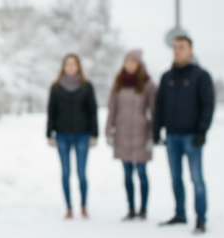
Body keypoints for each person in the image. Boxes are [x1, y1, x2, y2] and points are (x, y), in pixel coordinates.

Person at [154, 35, 215, 234]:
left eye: (181, 47)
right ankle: (180, 214)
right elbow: (160, 105)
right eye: (175, 47)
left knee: (196, 178)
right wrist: (156, 129)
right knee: (175, 178)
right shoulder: (167, 77)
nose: (177, 51)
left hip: (192, 137)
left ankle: (201, 219)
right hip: (172, 137)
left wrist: (202, 130)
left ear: (191, 50)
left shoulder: (201, 76)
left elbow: (208, 105)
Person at [106, 49, 157, 221]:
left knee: (141, 173)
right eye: (127, 62)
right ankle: (131, 209)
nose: (129, 65)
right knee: (127, 174)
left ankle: (143, 209)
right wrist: (109, 130)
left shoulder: (148, 84)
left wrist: (152, 135)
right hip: (122, 134)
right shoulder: (118, 83)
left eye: (132, 62)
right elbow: (112, 108)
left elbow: (154, 112)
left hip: (141, 135)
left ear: (139, 64)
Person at [46, 54, 99, 219]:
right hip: (62, 135)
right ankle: (68, 208)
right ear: (63, 67)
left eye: (73, 64)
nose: (70, 67)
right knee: (65, 173)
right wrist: (49, 133)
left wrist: (94, 134)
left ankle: (83, 206)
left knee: (81, 173)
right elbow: (51, 111)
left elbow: (93, 111)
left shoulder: (86, 86)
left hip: (82, 134)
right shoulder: (56, 87)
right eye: (67, 64)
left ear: (78, 67)